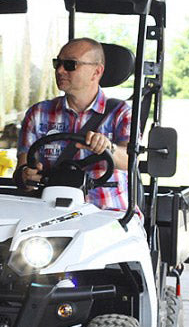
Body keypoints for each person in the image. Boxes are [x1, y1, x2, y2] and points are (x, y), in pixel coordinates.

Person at [15, 37, 131, 211]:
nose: (60, 70)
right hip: (52, 214)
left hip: (108, 215)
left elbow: (131, 160)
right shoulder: (38, 114)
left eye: (70, 64)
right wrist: (27, 176)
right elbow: (22, 173)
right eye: (57, 63)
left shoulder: (120, 112)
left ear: (96, 72)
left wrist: (108, 148)